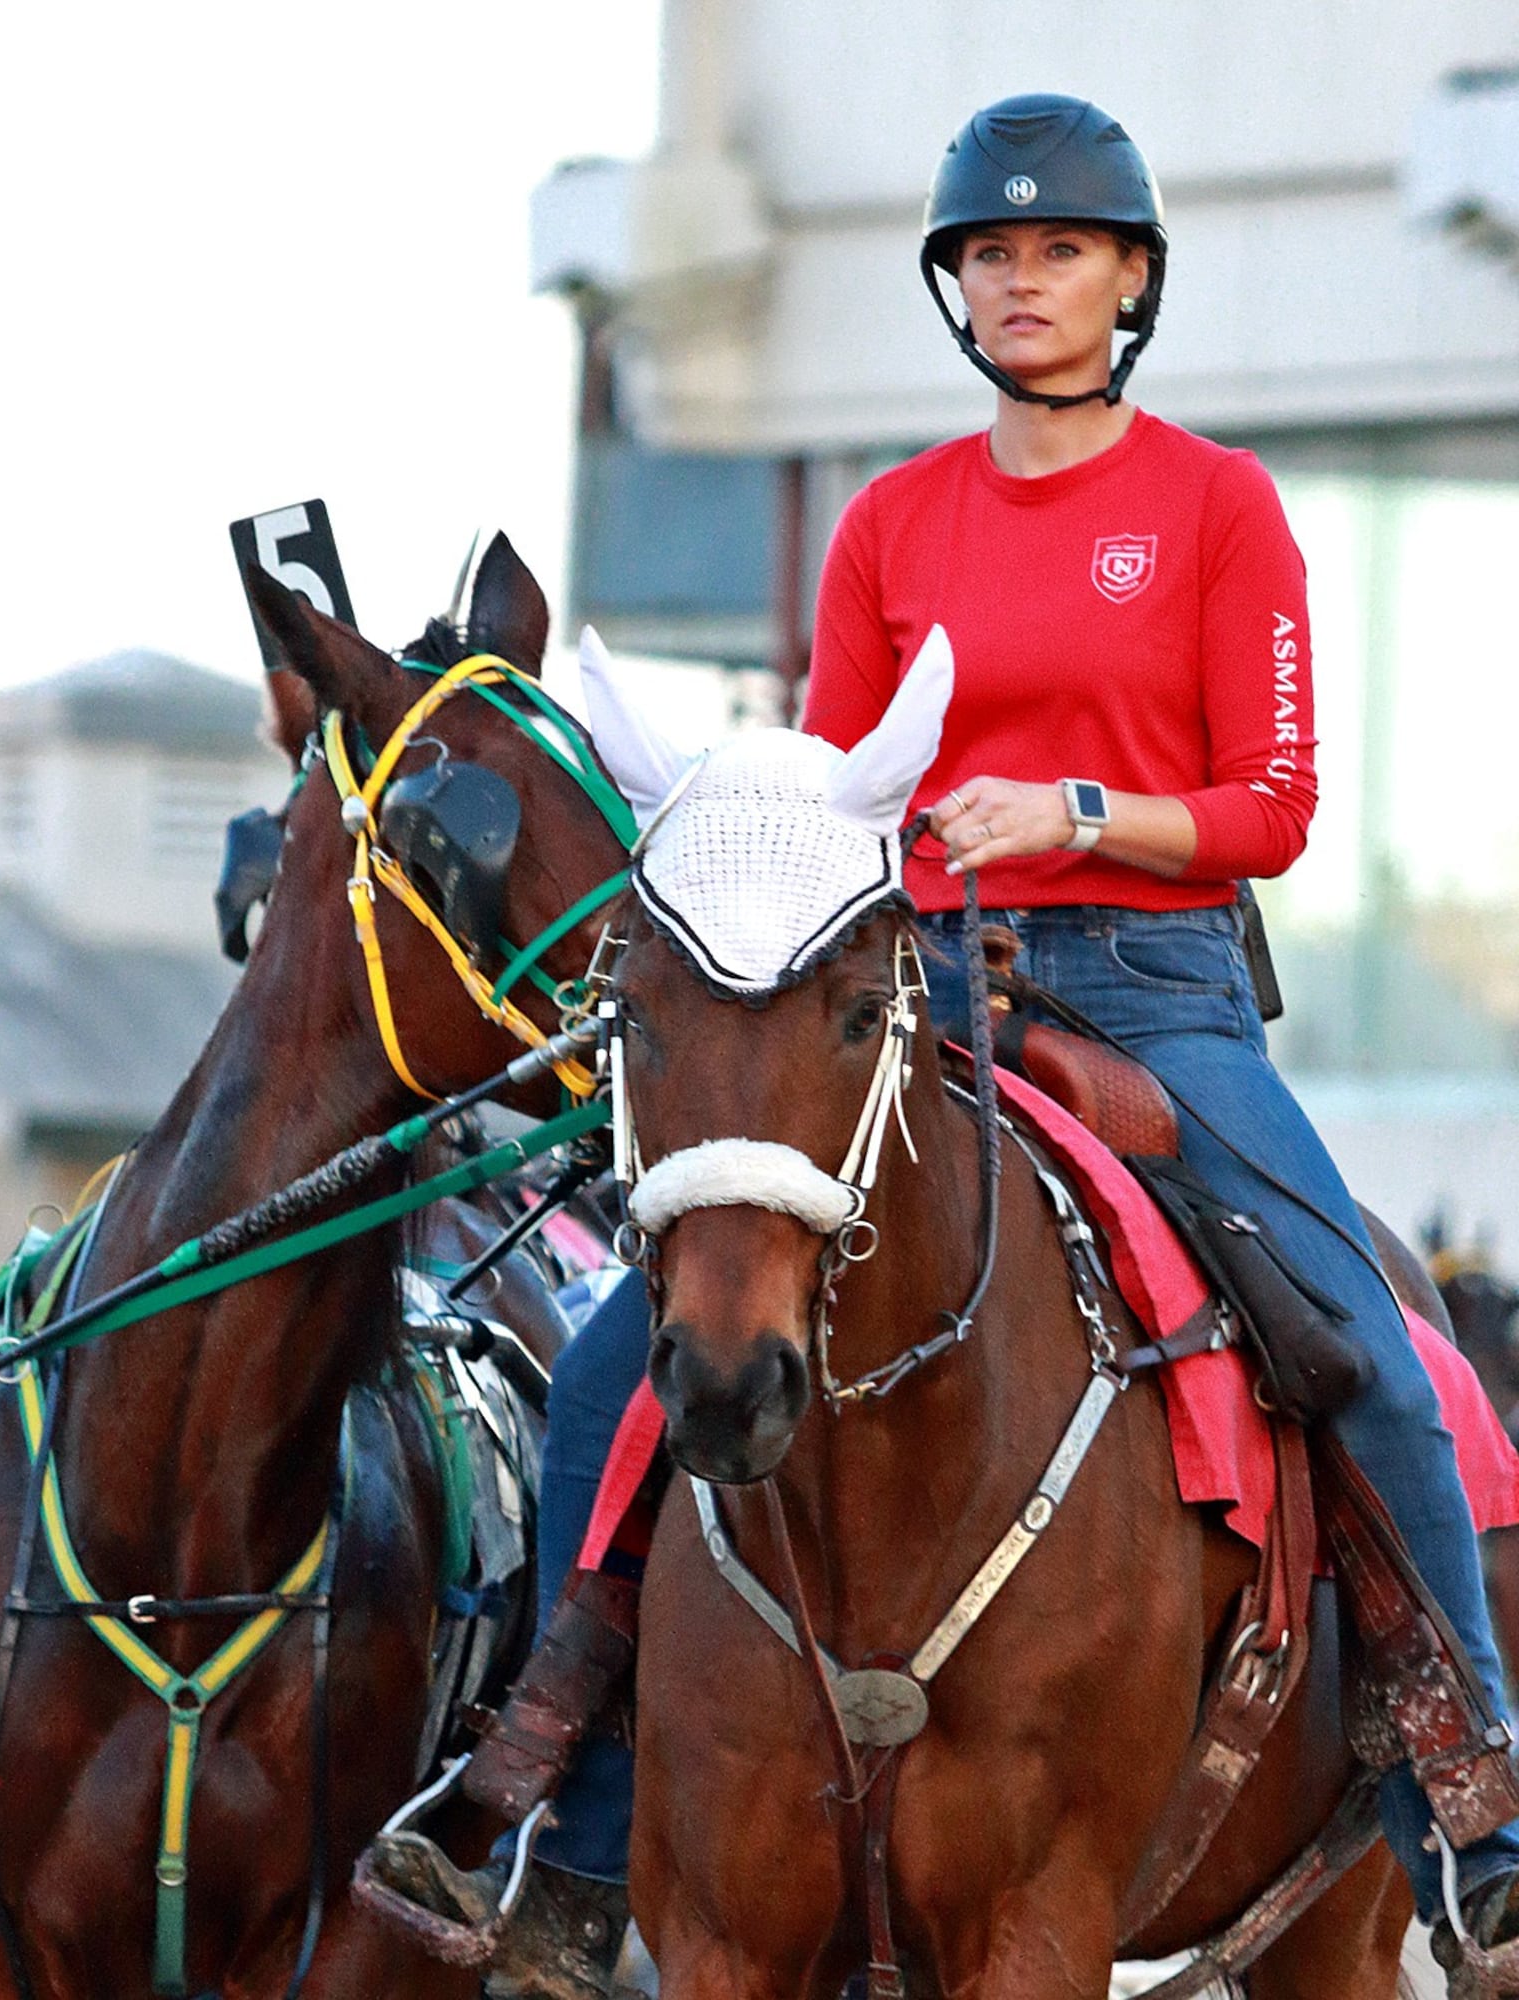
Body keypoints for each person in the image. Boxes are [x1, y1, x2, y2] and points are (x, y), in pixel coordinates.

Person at [370, 92, 1519, 1988]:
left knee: (1370, 1350)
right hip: (918, 991)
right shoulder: (893, 521)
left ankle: (1472, 1805)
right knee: (605, 1371)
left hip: (1159, 989)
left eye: (1063, 249)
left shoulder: (1221, 507)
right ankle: (556, 1820)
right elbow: (832, 802)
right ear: (955, 289)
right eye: (991, 252)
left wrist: (1071, 815)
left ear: (1133, 280)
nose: (1024, 280)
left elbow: (1276, 805)